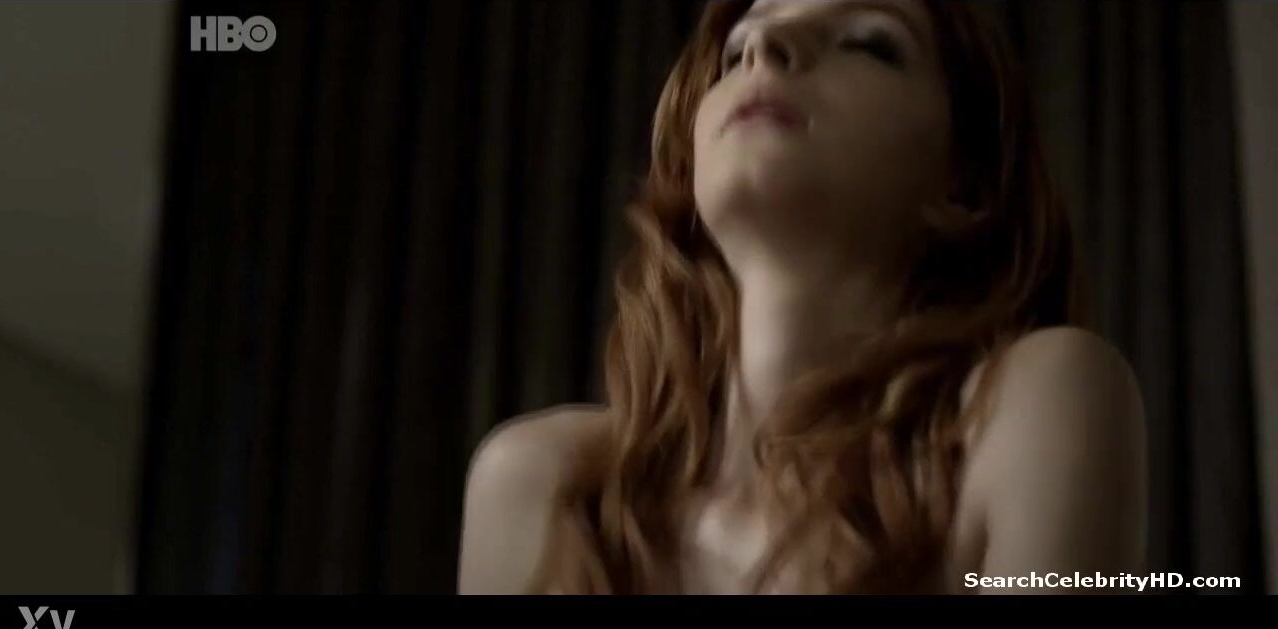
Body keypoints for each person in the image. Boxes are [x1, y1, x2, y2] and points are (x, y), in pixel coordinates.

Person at [458, 0, 1148, 595]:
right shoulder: (543, 484)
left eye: (868, 43)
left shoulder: (1034, 400)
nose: (764, 45)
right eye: (735, 51)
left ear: (964, 183)